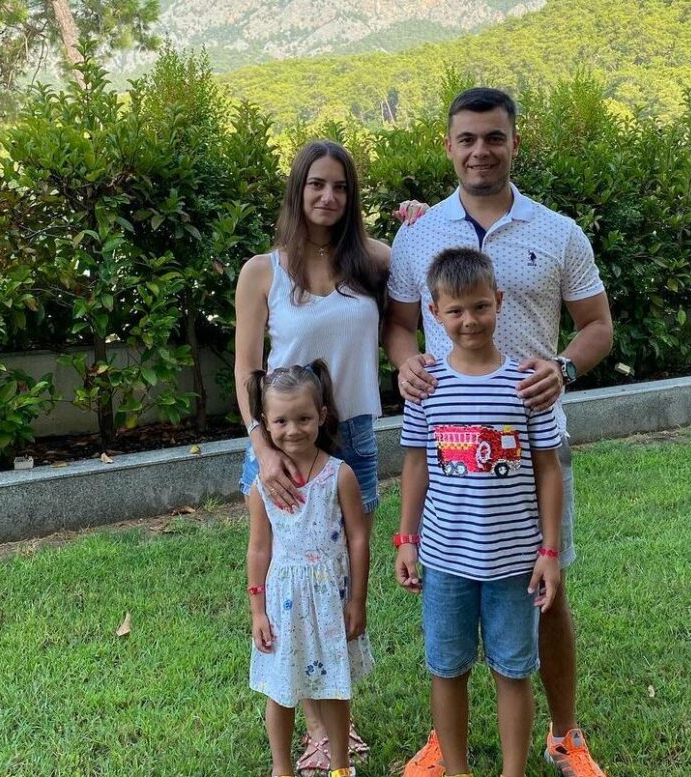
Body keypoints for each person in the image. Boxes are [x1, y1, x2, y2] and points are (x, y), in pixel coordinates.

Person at [383, 88, 614, 777]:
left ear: (515, 142)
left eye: (493, 137)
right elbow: (398, 324)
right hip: (448, 449)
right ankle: (445, 742)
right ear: (448, 146)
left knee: (546, 588)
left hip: (533, 441)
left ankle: (564, 733)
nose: (480, 150)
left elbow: (598, 325)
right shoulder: (419, 232)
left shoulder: (559, 232)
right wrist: (406, 364)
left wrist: (563, 368)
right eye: (467, 139)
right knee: (449, 589)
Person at [234, 139, 426, 773]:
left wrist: (424, 223)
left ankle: (332, 716)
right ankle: (319, 733)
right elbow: (246, 371)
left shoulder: (373, 260)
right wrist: (262, 448)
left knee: (337, 576)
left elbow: (435, 276)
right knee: (293, 575)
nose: (328, 196)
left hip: (354, 437)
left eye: (340, 186)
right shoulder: (263, 272)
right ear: (298, 189)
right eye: (317, 184)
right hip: (284, 442)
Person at [395, 248, 563, 777]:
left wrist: (549, 550)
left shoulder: (527, 384)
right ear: (434, 312)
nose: (469, 320)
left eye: (480, 307)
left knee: (513, 671)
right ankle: (457, 769)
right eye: (455, 310)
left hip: (515, 565)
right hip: (445, 561)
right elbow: (415, 466)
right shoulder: (425, 386)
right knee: (447, 670)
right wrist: (406, 540)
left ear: (499, 301)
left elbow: (549, 471)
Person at [246, 361, 373, 777]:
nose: (293, 430)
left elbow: (358, 538)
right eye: (281, 421)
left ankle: (340, 766)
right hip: (284, 606)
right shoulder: (263, 487)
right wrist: (258, 610)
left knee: (335, 687)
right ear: (265, 423)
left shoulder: (340, 475)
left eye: (303, 418)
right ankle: (281, 768)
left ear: (321, 415)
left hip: (331, 602)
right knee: (281, 691)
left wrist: (357, 600)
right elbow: (258, 549)